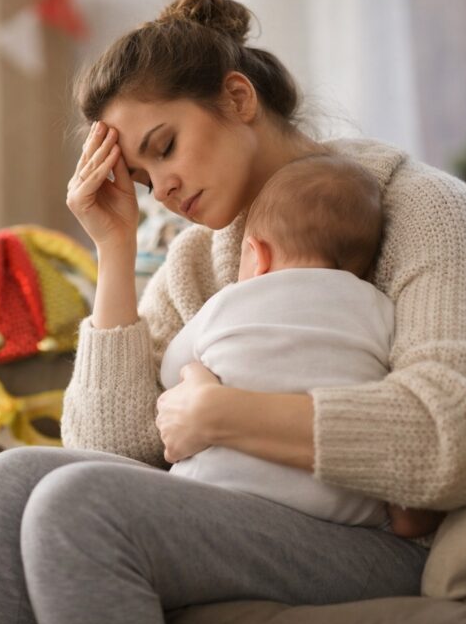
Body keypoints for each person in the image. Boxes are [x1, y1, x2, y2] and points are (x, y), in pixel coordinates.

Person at [0, 0, 466, 624]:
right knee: (1, 485)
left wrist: (221, 415)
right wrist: (112, 248)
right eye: (140, 178)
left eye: (164, 147)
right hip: (239, 513)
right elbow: (110, 450)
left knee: (73, 505)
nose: (160, 189)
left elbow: (455, 436)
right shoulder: (198, 257)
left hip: (382, 541)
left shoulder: (427, 209)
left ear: (238, 98)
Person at [163, 153, 437, 536]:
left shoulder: (226, 302)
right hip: (348, 514)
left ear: (257, 256)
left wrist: (198, 375)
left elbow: (169, 373)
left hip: (216, 491)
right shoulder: (382, 310)